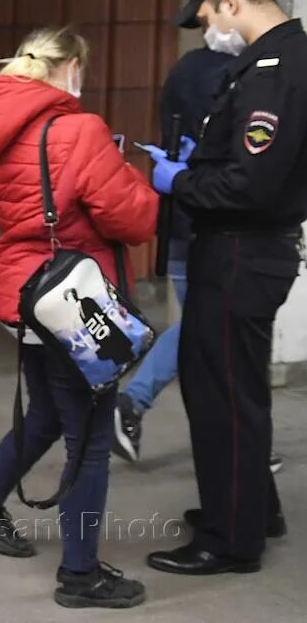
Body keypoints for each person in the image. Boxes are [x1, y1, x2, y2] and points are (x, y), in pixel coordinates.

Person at [0, 26, 157, 609]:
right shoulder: (79, 129)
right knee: (90, 440)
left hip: (25, 295)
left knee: (45, 411)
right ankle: (81, 574)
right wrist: (130, 175)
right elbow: (131, 219)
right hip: (75, 301)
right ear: (69, 69)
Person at [145, 0, 302, 576]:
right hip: (247, 248)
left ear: (233, 3)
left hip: (239, 247)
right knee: (239, 387)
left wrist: (181, 180)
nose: (211, 29)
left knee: (221, 394)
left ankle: (229, 539)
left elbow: (251, 185)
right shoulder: (283, 61)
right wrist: (196, 166)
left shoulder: (274, 70)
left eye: (209, 16)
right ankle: (253, 509)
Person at [112, 38, 233, 462]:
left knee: (207, 328)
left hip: (184, 216)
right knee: (210, 327)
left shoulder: (188, 68)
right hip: (207, 220)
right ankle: (134, 402)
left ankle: (245, 442)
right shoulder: (231, 74)